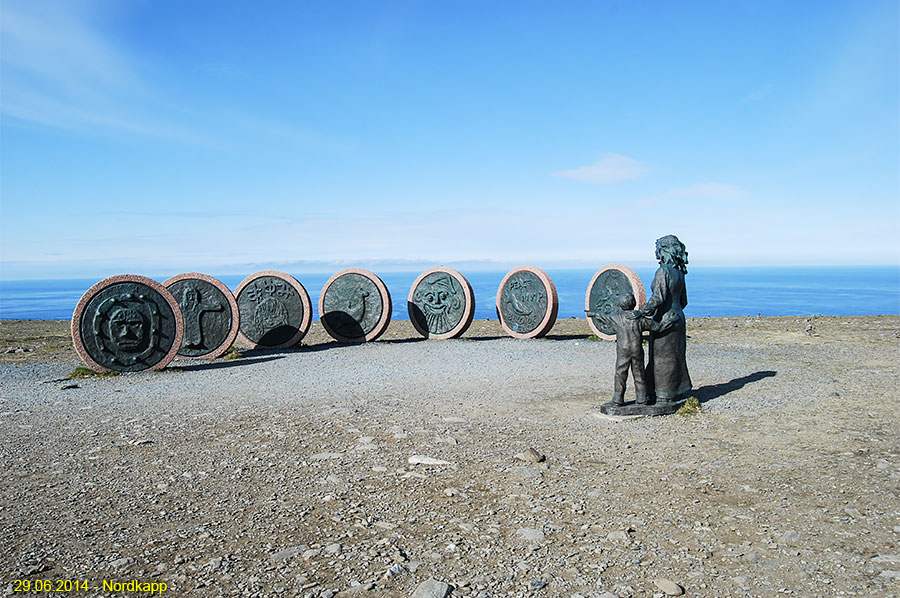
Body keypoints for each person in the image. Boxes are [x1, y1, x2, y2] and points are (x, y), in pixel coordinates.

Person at [588, 293, 674, 405]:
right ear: (633, 304)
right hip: (636, 349)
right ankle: (642, 398)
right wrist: (671, 320)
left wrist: (592, 313)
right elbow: (658, 327)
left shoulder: (616, 317)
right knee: (639, 373)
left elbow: (602, 315)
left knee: (620, 374)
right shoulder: (640, 319)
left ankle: (618, 399)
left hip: (623, 350)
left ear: (620, 304)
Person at [635, 234, 692, 401]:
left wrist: (641, 312)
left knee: (662, 358)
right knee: (676, 357)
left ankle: (663, 394)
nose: (656, 253)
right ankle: (678, 390)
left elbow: (658, 298)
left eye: (658, 249)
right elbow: (684, 301)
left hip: (663, 319)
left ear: (665, 250)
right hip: (678, 318)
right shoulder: (679, 273)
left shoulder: (663, 271)